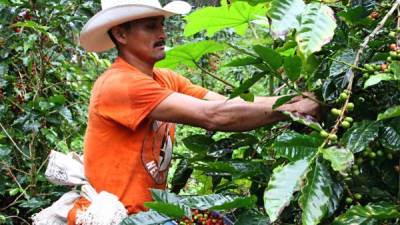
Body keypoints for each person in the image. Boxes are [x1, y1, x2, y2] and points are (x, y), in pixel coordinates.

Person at [67, 0, 320, 224]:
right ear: (121, 34)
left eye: (161, 25)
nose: (162, 33)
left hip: (150, 215)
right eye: (150, 26)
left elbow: (225, 103)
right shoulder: (120, 84)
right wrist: (291, 109)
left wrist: (292, 101)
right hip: (121, 218)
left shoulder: (164, 78)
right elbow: (214, 116)